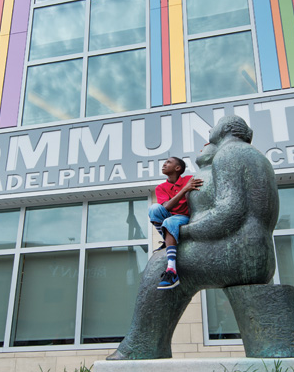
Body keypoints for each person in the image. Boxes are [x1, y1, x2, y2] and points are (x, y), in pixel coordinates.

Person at [107, 116, 279, 360]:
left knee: (159, 266)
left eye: (215, 125)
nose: (210, 130)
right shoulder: (254, 157)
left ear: (228, 129)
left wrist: (182, 233)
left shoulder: (230, 154)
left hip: (238, 251)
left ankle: (142, 348)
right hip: (256, 253)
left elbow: (230, 212)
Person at [149, 157, 203, 289]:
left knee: (170, 221)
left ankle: (171, 270)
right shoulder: (161, 188)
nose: (164, 164)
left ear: (178, 168)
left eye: (168, 162)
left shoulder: (189, 179)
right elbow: (166, 207)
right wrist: (185, 190)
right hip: (170, 217)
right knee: (154, 209)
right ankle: (168, 240)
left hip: (185, 218)